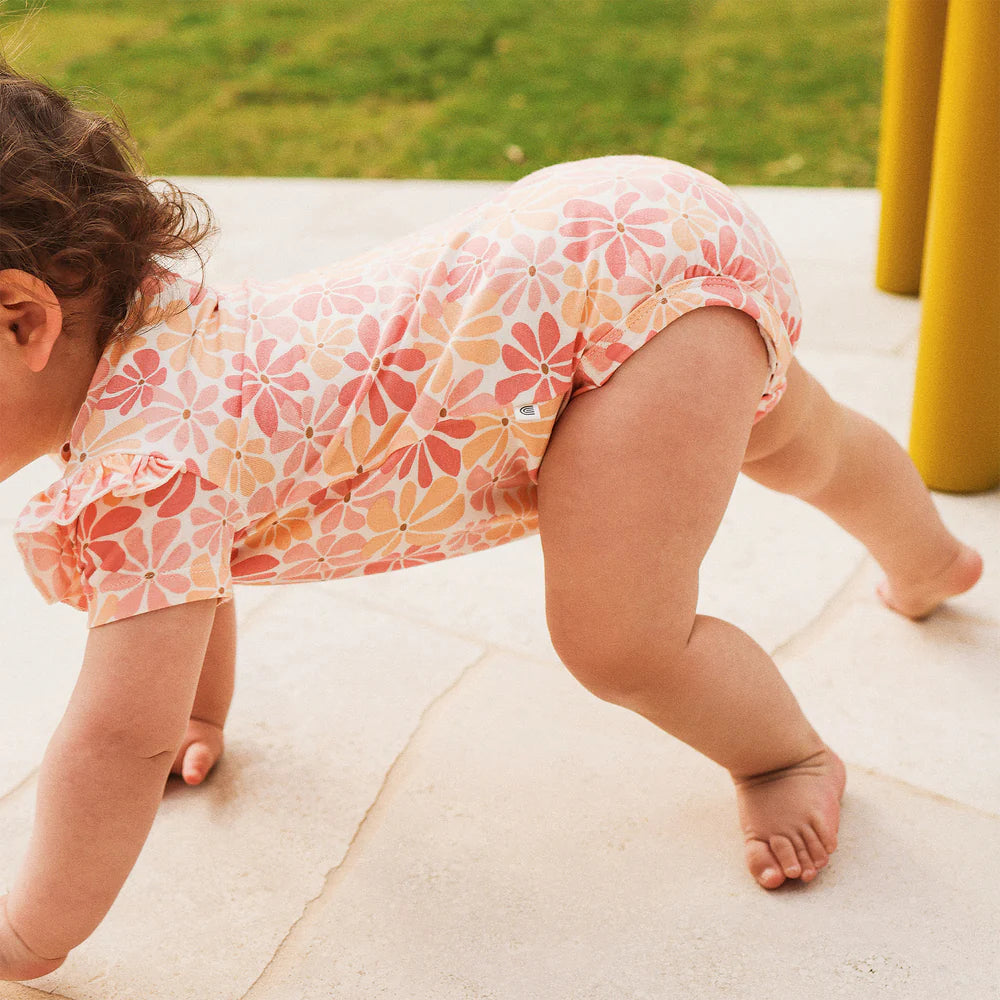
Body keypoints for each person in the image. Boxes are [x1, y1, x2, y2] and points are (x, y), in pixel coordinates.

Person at [0, 59, 982, 982]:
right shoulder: (158, 324)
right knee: (797, 438)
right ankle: (924, 552)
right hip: (629, 229)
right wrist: (198, 710)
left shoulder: (147, 468)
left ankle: (783, 753)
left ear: (25, 321)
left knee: (618, 637)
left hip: (612, 315)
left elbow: (115, 737)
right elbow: (178, 602)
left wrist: (29, 932)